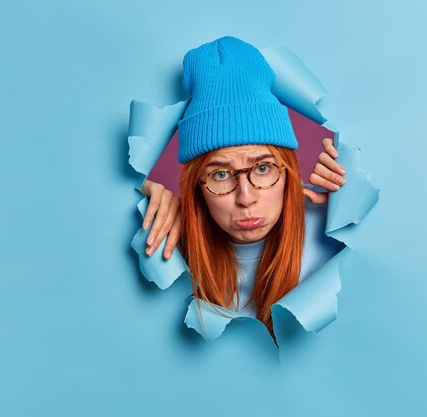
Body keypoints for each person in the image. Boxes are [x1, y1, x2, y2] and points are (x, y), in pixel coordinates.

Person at [139, 36, 346, 336]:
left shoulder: (331, 233)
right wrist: (156, 179)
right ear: (195, 184)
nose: (245, 198)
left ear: (289, 170)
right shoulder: (174, 248)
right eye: (220, 175)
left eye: (263, 168)